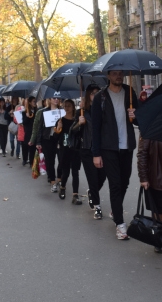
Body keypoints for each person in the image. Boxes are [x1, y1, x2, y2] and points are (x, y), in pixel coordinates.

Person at [91, 71, 139, 240]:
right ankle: (120, 224)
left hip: (127, 146)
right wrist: (96, 154)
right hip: (108, 148)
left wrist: (136, 115)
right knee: (115, 184)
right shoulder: (100, 98)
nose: (119, 76)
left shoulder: (130, 92)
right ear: (108, 76)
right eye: (115, 74)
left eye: (121, 74)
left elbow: (139, 119)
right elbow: (95, 128)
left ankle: (114, 209)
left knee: (125, 181)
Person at [71, 85, 106, 219]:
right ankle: (97, 207)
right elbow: (72, 131)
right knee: (92, 178)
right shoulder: (81, 112)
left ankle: (92, 192)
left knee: (102, 176)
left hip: (102, 148)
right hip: (86, 149)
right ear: (88, 96)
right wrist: (79, 123)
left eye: (97, 93)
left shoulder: (104, 110)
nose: (95, 95)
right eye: (92, 93)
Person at [30, 97, 62, 191]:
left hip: (59, 139)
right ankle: (52, 181)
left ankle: (59, 178)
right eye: (54, 98)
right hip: (47, 139)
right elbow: (40, 127)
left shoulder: (62, 111)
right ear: (49, 99)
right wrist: (38, 141)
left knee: (62, 160)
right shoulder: (44, 112)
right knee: (49, 161)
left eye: (58, 98)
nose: (56, 100)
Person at [55, 100, 82, 202]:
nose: (67, 108)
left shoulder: (77, 120)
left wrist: (80, 124)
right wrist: (58, 128)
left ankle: (75, 195)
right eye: (65, 106)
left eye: (69, 106)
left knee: (75, 172)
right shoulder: (61, 120)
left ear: (73, 107)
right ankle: (62, 188)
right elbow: (56, 137)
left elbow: (80, 134)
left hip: (75, 149)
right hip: (65, 149)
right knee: (65, 171)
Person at [21, 97, 37, 167]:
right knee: (26, 146)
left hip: (35, 131)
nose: (35, 103)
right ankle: (25, 159)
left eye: (35, 101)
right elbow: (24, 123)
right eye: (33, 101)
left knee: (33, 148)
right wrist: (27, 116)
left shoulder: (37, 111)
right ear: (30, 102)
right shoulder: (25, 112)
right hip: (28, 131)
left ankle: (32, 162)